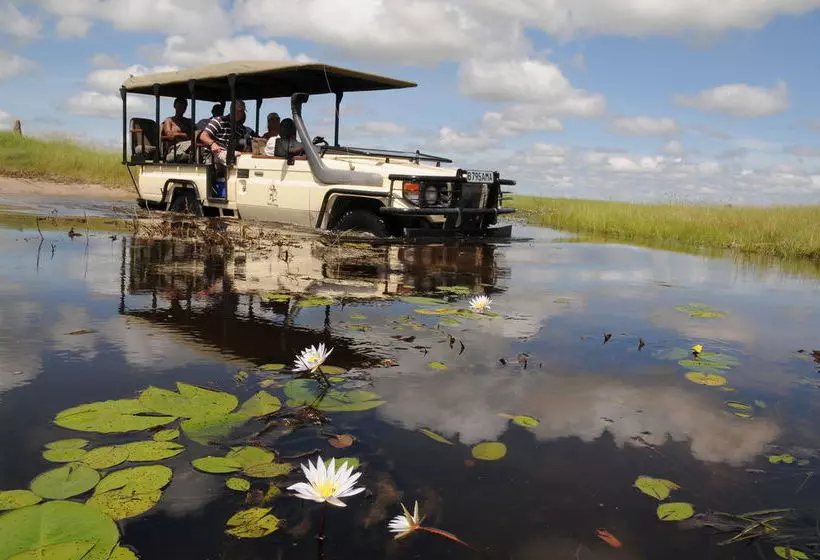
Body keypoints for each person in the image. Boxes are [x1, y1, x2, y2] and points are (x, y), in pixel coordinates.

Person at [200, 100, 250, 170]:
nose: (241, 114)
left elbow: (238, 143)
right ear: (232, 110)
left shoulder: (240, 129)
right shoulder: (219, 121)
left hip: (229, 154)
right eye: (239, 111)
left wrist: (246, 144)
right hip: (215, 154)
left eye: (242, 111)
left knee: (246, 159)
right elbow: (203, 136)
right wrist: (212, 144)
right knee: (235, 160)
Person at [161, 97, 193, 162]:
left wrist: (177, 134)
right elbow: (170, 135)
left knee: (195, 143)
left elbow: (193, 135)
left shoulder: (188, 121)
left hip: (189, 146)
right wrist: (184, 134)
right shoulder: (169, 120)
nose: (182, 109)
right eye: (180, 106)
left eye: (184, 107)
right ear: (174, 106)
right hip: (175, 147)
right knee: (193, 143)